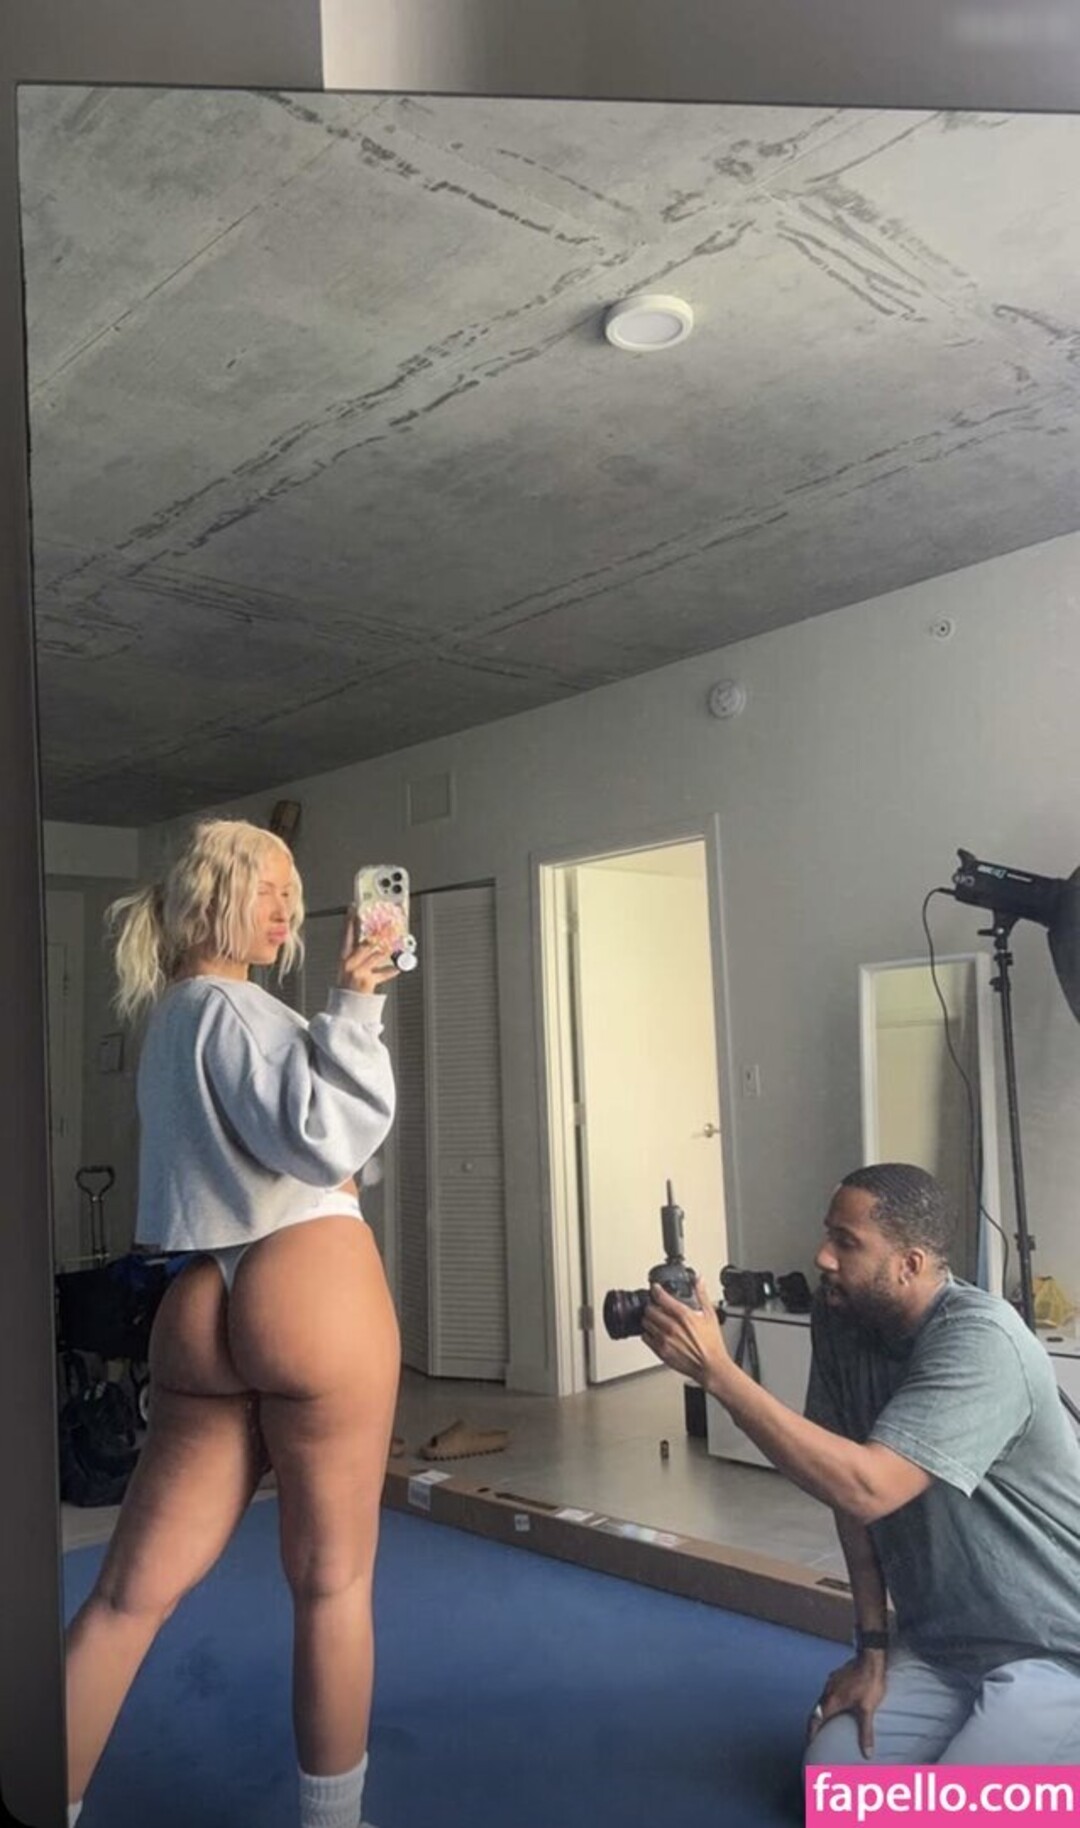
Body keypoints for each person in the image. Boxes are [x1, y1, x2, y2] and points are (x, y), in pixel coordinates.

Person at [63, 818, 401, 1828]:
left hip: (202, 1298)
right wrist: (358, 1004)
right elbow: (324, 1135)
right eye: (266, 886)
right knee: (333, 1585)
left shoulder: (173, 1017)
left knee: (125, 1599)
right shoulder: (237, 1007)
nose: (287, 907)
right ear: (210, 894)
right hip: (305, 1277)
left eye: (292, 890)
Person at [642, 1162, 1080, 1767]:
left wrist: (718, 1373)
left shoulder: (982, 1341)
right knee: (835, 1781)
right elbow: (844, 1495)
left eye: (846, 1242)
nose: (822, 1256)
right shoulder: (841, 1319)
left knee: (965, 1803)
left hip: (1056, 1647)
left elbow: (868, 1487)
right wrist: (872, 1649)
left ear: (910, 1264)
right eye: (828, 1234)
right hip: (944, 1644)